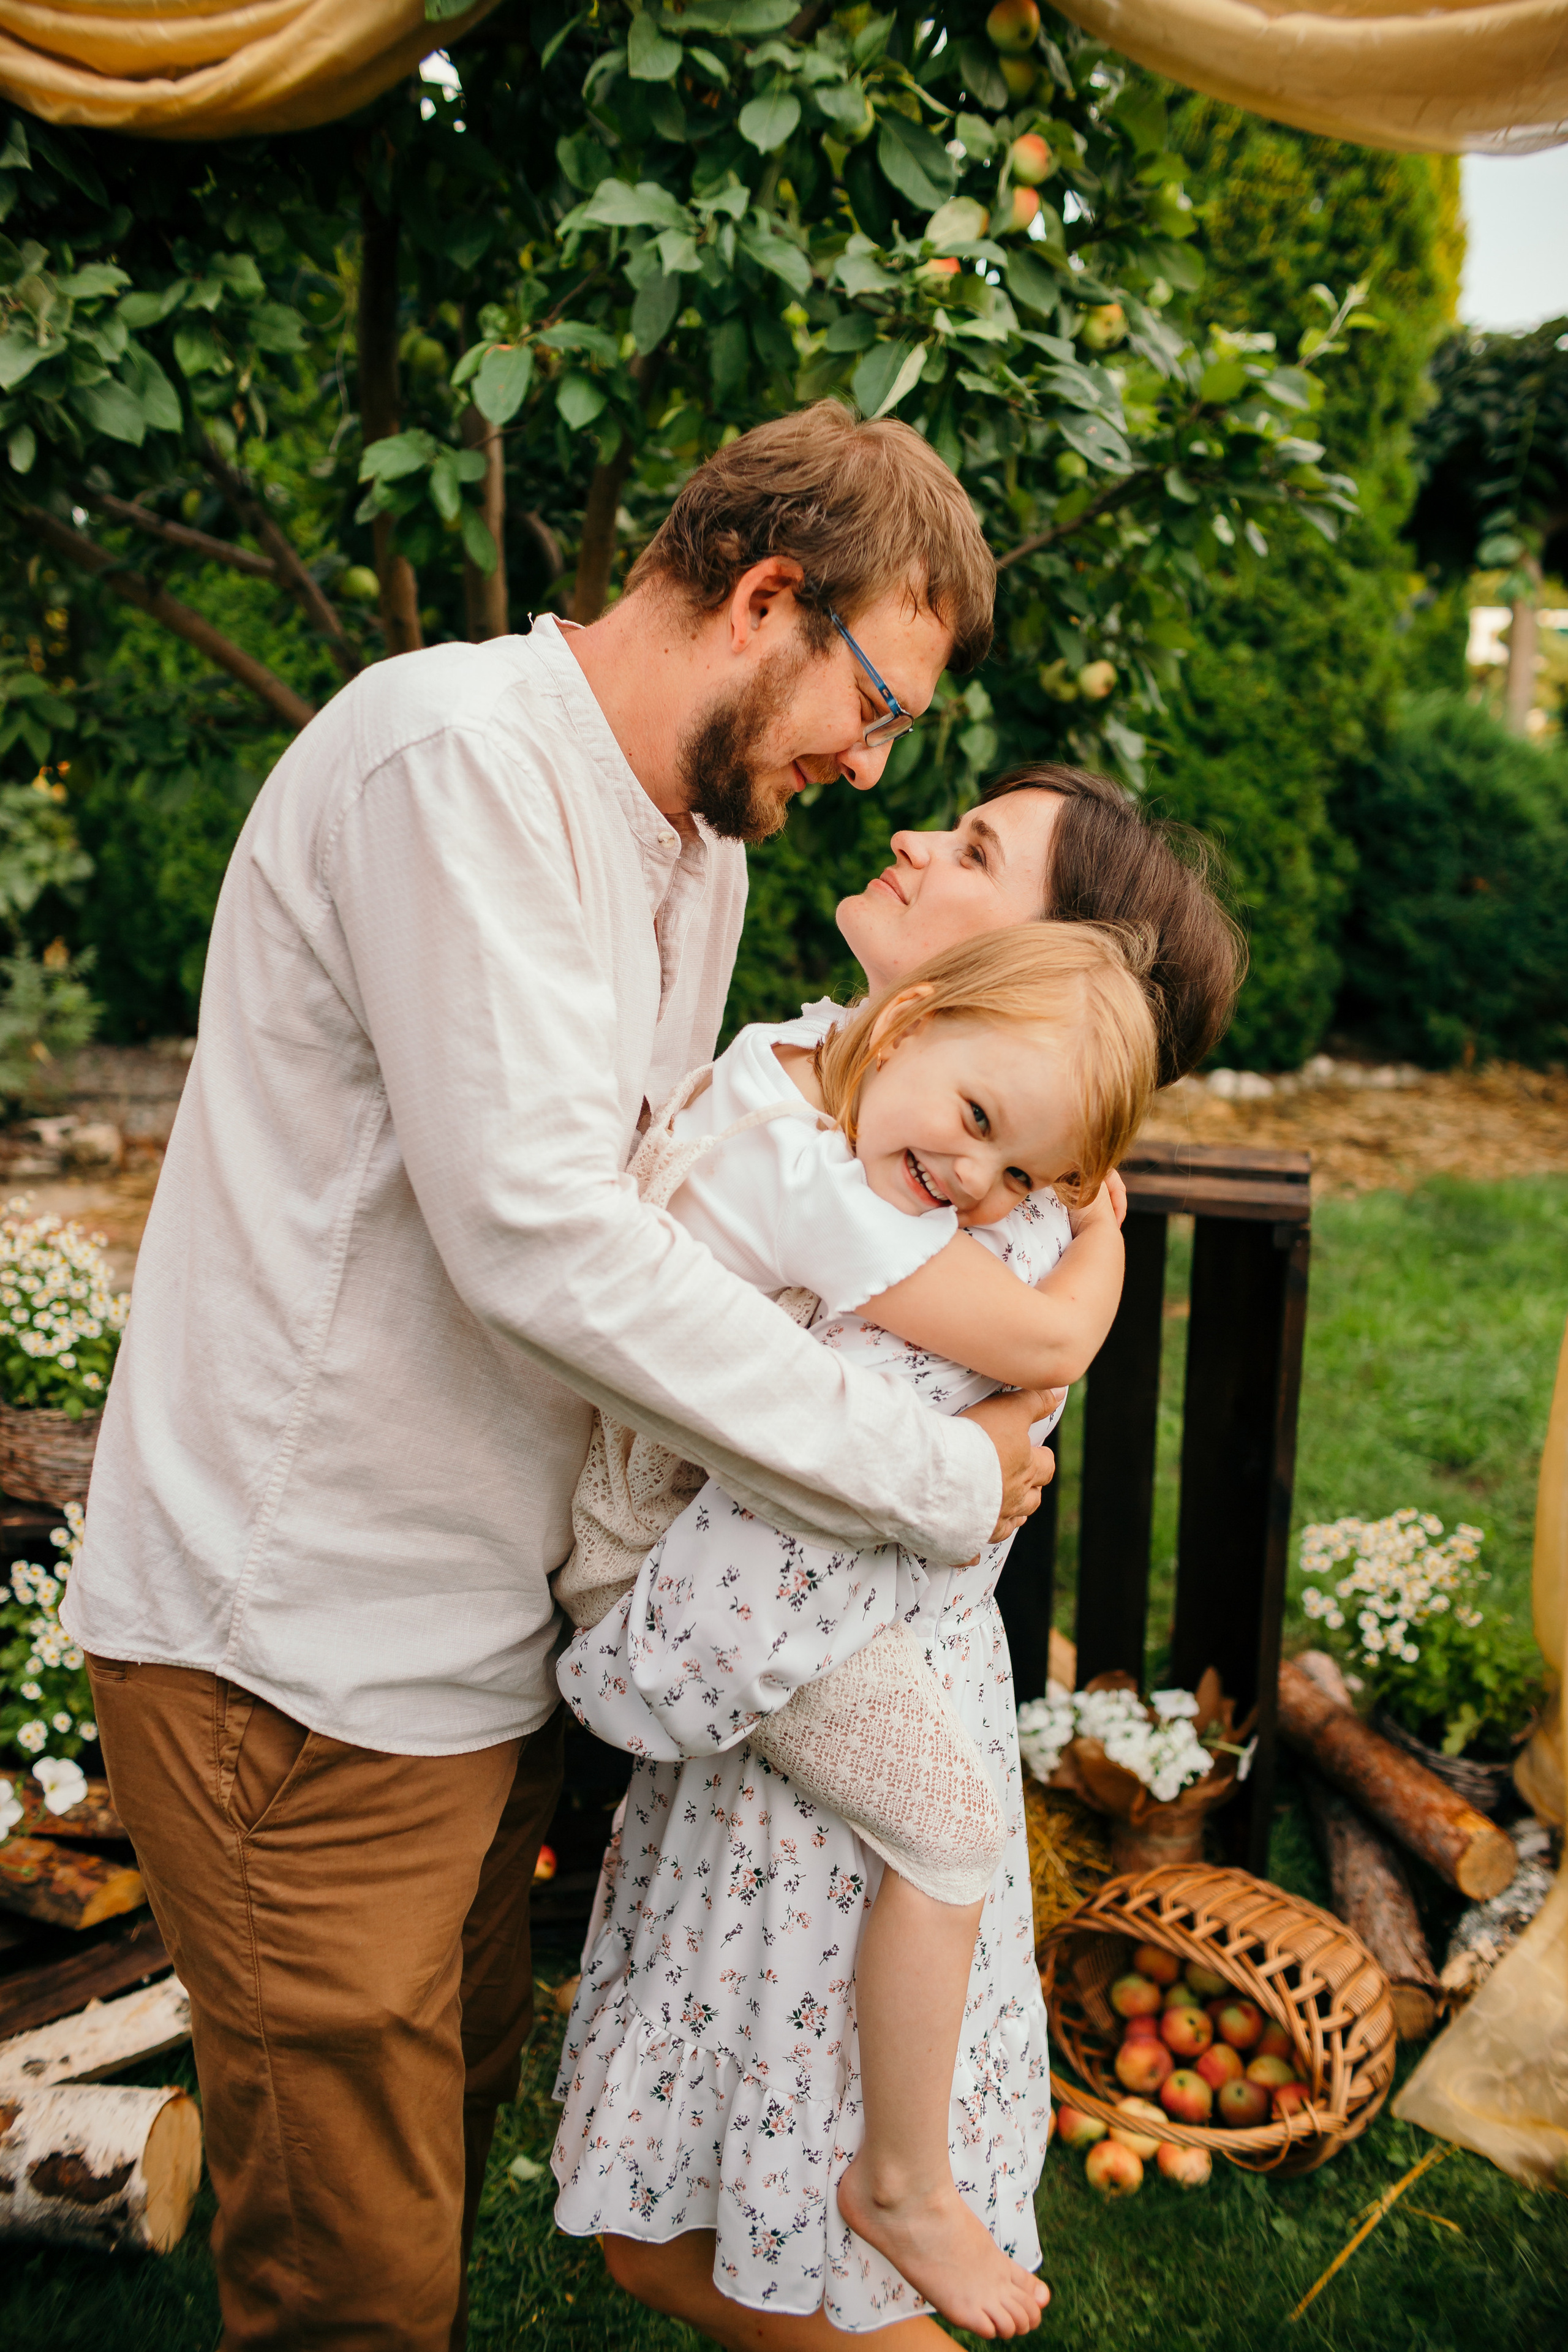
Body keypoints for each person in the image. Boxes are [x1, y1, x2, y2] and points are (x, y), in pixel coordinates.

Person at [59, 402, 1056, 2352]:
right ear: (764, 598)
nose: (870, 767)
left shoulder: (699, 851)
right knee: (354, 2288)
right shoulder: (454, 760)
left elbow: (681, 1229)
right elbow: (546, 1243)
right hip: (298, 1656)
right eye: (871, 703)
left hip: (470, 1651)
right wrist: (926, 1476)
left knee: (437, 2147)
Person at [551, 791, 1242, 2348]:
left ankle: (904, 2184)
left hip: (809, 1702)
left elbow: (982, 1410)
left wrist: (1050, 1270)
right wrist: (1088, 1262)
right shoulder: (825, 1126)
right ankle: (902, 2187)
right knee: (679, 2238)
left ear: (1041, 963)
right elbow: (1008, 1391)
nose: (918, 840)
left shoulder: (929, 1182)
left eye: (979, 854)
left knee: (765, 2240)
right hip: (746, 1653)